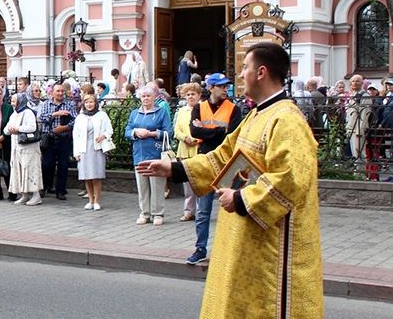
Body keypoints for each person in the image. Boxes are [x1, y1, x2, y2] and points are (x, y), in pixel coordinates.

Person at [137, 42, 323, 318]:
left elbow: (292, 179)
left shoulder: (287, 120)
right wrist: (175, 168)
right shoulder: (257, 115)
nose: (240, 75)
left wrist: (240, 197)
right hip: (245, 239)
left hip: (272, 248)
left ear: (261, 72)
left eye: (245, 67)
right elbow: (223, 157)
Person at [186, 73, 243, 265]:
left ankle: (228, 250)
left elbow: (233, 135)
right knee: (203, 211)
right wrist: (219, 131)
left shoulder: (234, 109)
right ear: (211, 88)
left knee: (229, 209)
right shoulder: (199, 108)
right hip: (205, 162)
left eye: (226, 86)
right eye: (221, 86)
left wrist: (208, 131)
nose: (225, 89)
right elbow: (194, 131)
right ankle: (200, 248)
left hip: (227, 164)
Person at [124, 85, 173, 226]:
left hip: (156, 154)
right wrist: (135, 132)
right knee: (142, 187)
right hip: (139, 155)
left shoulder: (161, 112)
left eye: (148, 96)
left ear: (154, 97)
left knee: (157, 185)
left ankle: (158, 214)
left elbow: (168, 133)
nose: (145, 98)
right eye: (143, 96)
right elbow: (127, 130)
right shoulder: (134, 113)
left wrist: (150, 133)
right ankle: (144, 213)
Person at [73, 94, 111, 210]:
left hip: (97, 148)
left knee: (96, 175)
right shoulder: (80, 117)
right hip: (84, 148)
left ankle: (97, 200)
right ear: (83, 104)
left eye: (91, 102)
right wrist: (76, 152)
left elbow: (110, 130)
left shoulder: (102, 115)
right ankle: (90, 199)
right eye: (86, 102)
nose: (89, 105)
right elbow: (76, 135)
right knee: (87, 176)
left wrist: (103, 135)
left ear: (95, 103)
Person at [38, 83, 74, 200]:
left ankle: (61, 191)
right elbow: (41, 118)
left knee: (63, 165)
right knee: (47, 164)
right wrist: (55, 114)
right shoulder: (46, 104)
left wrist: (64, 128)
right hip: (49, 138)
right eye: (57, 91)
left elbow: (75, 120)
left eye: (62, 91)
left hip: (63, 138)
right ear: (52, 92)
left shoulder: (69, 104)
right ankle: (44, 186)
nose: (60, 93)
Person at [6, 94, 42, 205]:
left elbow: (32, 127)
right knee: (20, 170)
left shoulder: (28, 112)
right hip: (17, 148)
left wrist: (18, 129)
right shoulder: (14, 114)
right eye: (11, 101)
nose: (12, 103)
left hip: (29, 148)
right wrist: (9, 130)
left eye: (14, 101)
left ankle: (36, 195)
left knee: (30, 170)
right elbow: (6, 129)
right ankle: (24, 195)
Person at [173, 83, 203, 222]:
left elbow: (208, 127)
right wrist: (185, 138)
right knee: (187, 183)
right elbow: (176, 130)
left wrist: (196, 139)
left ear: (199, 95)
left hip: (199, 149)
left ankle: (202, 211)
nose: (190, 97)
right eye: (188, 94)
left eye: (193, 94)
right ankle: (188, 212)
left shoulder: (204, 109)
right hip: (185, 149)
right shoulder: (182, 111)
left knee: (201, 181)